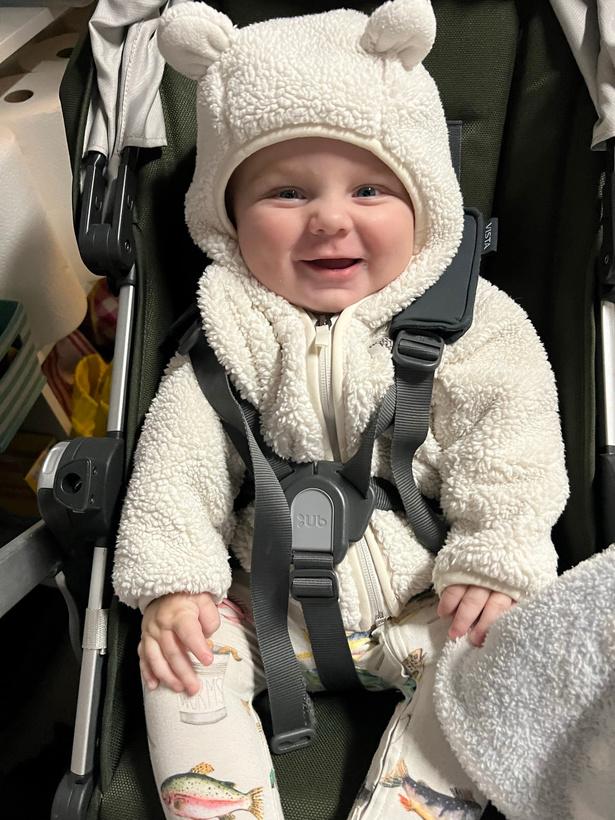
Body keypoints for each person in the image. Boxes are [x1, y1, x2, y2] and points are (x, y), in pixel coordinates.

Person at [112, 1, 569, 818]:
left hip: (429, 598)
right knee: (177, 658)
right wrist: (175, 584)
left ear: (425, 202)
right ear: (226, 218)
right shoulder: (226, 334)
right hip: (266, 608)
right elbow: (177, 467)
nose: (329, 218)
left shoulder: (469, 325)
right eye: (286, 192)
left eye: (368, 189)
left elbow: (514, 444)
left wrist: (493, 559)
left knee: (509, 650)